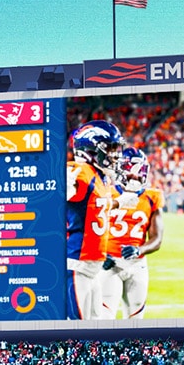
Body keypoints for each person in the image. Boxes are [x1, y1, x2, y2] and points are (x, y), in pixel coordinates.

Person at [65, 121, 123, 319]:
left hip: (92, 268)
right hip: (76, 265)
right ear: (90, 150)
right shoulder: (78, 171)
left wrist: (119, 202)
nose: (115, 154)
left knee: (95, 328)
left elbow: (95, 208)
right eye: (110, 148)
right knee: (76, 331)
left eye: (116, 148)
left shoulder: (101, 177)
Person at [100, 148, 164, 318]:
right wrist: (99, 256)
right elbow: (88, 230)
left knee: (136, 320)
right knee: (105, 318)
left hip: (137, 264)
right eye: (130, 170)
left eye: (140, 171)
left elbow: (157, 239)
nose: (135, 176)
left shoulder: (152, 196)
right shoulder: (105, 192)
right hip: (109, 263)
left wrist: (139, 250)